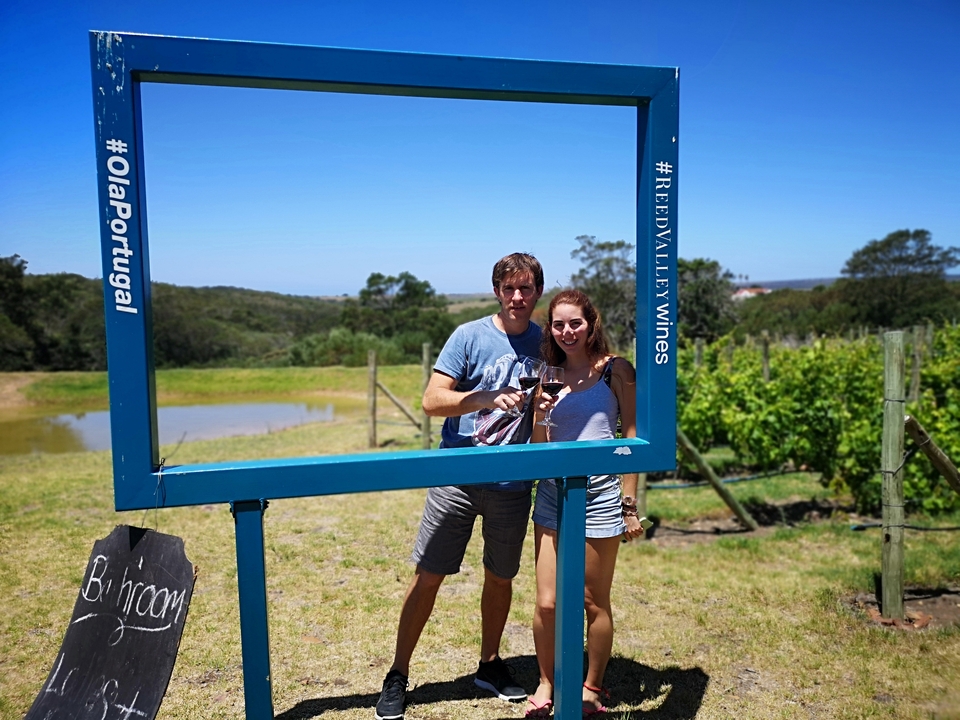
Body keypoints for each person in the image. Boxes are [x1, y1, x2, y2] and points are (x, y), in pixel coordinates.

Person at [374, 253, 545, 720]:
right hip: (458, 479)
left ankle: (490, 664)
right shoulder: (469, 336)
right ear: (496, 291)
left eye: (526, 288)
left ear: (537, 293)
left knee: (501, 577)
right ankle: (397, 673)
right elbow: (431, 401)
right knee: (428, 574)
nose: (517, 297)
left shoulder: (546, 340)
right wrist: (486, 396)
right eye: (509, 288)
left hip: (512, 484)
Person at [524, 289, 644, 719]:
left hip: (601, 498)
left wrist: (630, 504)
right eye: (558, 324)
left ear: (591, 323)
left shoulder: (617, 371)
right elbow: (539, 448)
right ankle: (548, 681)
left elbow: (630, 438)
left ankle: (592, 686)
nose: (567, 331)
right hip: (554, 496)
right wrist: (539, 412)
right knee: (547, 602)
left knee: (594, 600)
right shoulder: (547, 376)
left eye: (575, 322)